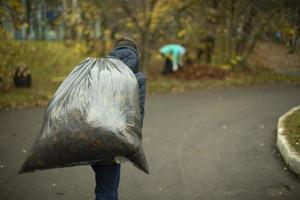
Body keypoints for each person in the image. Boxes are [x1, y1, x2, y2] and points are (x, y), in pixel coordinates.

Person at [91, 37, 146, 200]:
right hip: (116, 138)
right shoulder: (138, 78)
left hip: (91, 136)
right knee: (107, 189)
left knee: (102, 184)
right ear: (135, 54)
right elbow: (138, 114)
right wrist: (132, 142)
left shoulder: (97, 70)